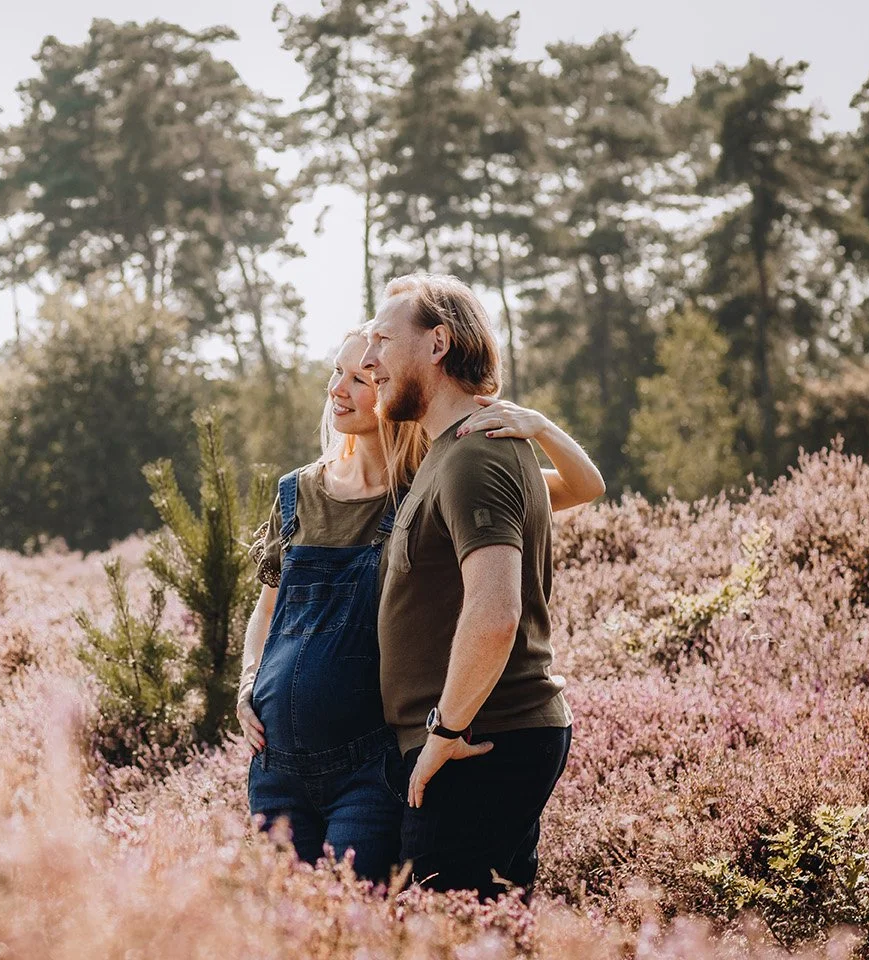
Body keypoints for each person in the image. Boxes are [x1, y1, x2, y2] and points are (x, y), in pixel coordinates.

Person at [239, 323, 603, 885]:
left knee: (358, 916)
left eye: (362, 378)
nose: (340, 389)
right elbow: (267, 610)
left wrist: (539, 425)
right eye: (337, 372)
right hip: (276, 766)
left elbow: (578, 489)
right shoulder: (297, 492)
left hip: (371, 762)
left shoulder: (427, 488)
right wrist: (248, 681)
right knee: (288, 927)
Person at [359, 272, 587, 899]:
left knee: (442, 931)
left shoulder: (476, 455)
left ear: (437, 344)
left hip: (479, 744)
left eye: (383, 339)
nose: (370, 359)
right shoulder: (450, 452)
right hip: (484, 740)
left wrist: (444, 734)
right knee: (492, 932)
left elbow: (494, 616)